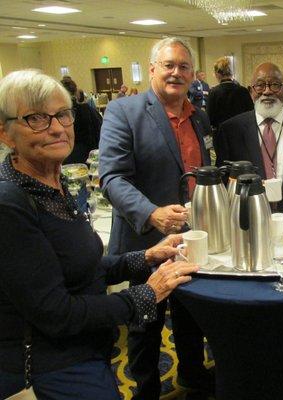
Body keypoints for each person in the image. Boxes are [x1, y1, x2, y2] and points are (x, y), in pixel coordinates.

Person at [0, 69, 199, 399]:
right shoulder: (10, 205)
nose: (56, 128)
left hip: (85, 351)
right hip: (50, 369)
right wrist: (142, 296)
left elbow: (81, 266)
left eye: (63, 115)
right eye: (36, 118)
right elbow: (56, 313)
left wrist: (145, 256)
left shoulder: (53, 186)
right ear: (5, 133)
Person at [99, 38, 212, 399]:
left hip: (191, 237)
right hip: (143, 241)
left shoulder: (200, 116)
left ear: (193, 74)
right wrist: (152, 213)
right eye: (168, 65)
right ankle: (146, 390)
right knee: (145, 323)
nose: (176, 72)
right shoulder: (124, 111)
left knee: (191, 314)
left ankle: (193, 376)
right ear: (152, 69)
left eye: (183, 66)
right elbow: (112, 178)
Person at [215, 62, 283, 212]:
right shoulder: (230, 131)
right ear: (250, 91)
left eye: (275, 85)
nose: (267, 91)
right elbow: (224, 183)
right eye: (260, 85)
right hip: (249, 221)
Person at [60, 77, 102, 164]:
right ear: (76, 92)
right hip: (90, 156)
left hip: (66, 156)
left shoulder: (57, 114)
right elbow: (101, 129)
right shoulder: (87, 110)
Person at [206, 56, 253, 134]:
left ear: (217, 74)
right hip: (241, 134)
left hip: (221, 136)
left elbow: (209, 119)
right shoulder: (243, 91)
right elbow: (251, 114)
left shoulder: (213, 92)